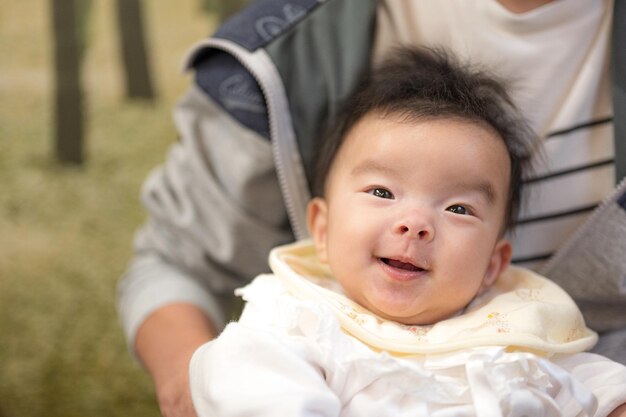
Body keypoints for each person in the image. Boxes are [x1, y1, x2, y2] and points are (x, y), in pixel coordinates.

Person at [116, 1, 626, 416]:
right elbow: (253, 386)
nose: (414, 224)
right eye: (382, 193)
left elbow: (589, 379)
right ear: (321, 226)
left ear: (496, 263)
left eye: (458, 209)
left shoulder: (519, 326)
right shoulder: (299, 322)